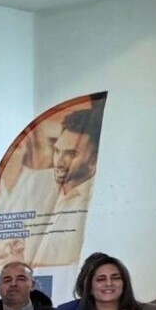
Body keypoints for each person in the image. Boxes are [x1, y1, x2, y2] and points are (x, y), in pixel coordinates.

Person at [29, 108, 101, 267]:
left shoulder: (99, 200)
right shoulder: (36, 181)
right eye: (57, 151)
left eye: (71, 154)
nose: (59, 162)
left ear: (94, 159)